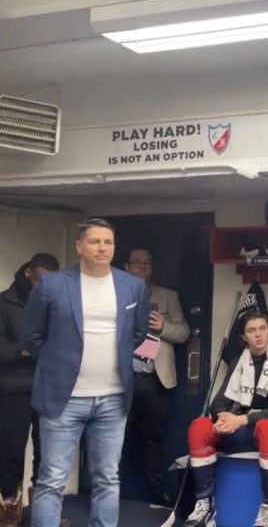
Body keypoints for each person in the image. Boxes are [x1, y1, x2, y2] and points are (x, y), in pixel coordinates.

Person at [21, 218, 150, 527]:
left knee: (108, 477)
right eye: (94, 241)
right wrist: (56, 363)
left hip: (112, 398)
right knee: (52, 479)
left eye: (108, 242)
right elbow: (31, 335)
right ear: (79, 246)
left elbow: (138, 333)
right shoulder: (53, 284)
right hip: (63, 398)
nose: (102, 247)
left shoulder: (132, 285)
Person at [184, 310, 268, 527]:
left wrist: (242, 420)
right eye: (251, 330)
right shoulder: (240, 362)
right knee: (199, 426)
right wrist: (224, 419)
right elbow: (218, 403)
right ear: (244, 337)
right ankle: (204, 505)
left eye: (262, 329)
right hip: (245, 427)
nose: (258, 335)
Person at [124, 247, 190, 508]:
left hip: (155, 379)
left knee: (155, 438)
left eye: (147, 263)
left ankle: (160, 493)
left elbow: (183, 333)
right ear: (127, 267)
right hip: (121, 380)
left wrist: (164, 327)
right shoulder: (114, 296)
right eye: (137, 263)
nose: (142, 267)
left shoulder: (168, 297)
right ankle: (105, 491)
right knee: (111, 437)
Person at [0, 254, 61, 527]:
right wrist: (25, 349)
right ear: (28, 273)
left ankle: (43, 515)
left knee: (48, 452)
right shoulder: (4, 302)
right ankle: (9, 511)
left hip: (47, 385)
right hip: (14, 387)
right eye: (41, 281)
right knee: (11, 451)